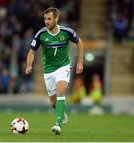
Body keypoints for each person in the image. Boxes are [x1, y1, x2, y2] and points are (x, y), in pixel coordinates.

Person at [25, 7, 84, 135]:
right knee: (53, 101)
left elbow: (79, 43)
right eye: (45, 19)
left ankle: (58, 124)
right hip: (48, 70)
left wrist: (80, 62)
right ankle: (61, 113)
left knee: (61, 90)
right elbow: (31, 52)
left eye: (49, 19)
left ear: (56, 19)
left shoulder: (67, 32)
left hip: (63, 66)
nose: (46, 21)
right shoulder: (41, 34)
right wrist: (29, 65)